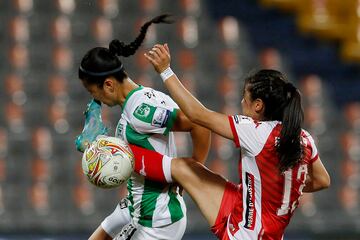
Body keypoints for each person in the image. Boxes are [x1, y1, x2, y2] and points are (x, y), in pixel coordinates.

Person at [122, 43, 331, 239]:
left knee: (184, 168)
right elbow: (323, 181)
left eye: (245, 97)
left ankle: (123, 155)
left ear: (258, 106)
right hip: (253, 216)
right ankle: (123, 154)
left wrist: (165, 70)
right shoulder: (304, 138)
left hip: (245, 234)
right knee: (186, 167)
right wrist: (278, 191)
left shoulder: (255, 131)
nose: (241, 102)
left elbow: (197, 115)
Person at [76, 15, 211, 240]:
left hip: (157, 221)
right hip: (134, 206)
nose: (95, 100)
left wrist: (192, 171)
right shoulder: (136, 102)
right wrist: (94, 148)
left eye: (93, 92)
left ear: (108, 84)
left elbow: (199, 123)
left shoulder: (141, 110)